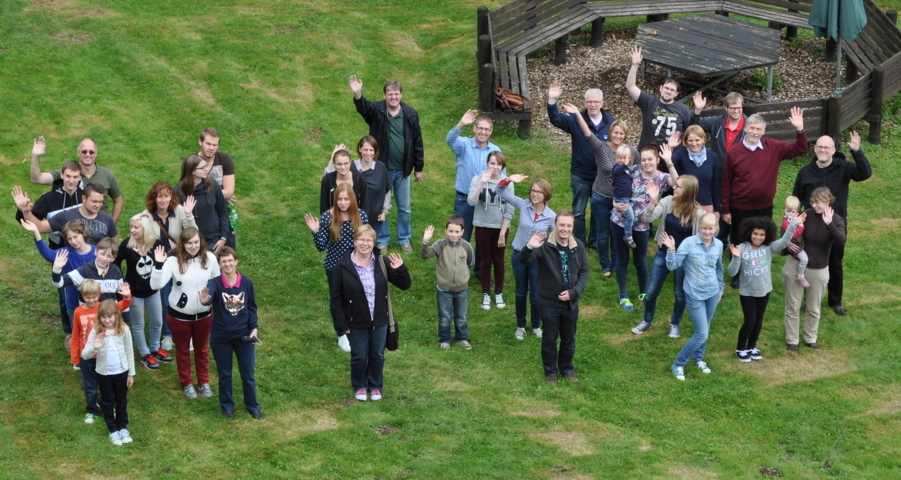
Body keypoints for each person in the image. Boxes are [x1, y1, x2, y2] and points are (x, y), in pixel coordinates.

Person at [722, 108, 807, 288]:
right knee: (739, 239)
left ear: (764, 131)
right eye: (752, 128)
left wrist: (799, 129)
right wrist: (725, 209)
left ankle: (760, 269)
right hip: (739, 206)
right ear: (745, 128)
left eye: (758, 129)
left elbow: (801, 148)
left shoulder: (773, 147)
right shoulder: (734, 152)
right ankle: (737, 274)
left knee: (761, 239)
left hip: (764, 206)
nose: (754, 132)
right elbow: (727, 182)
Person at [792, 131, 872, 316]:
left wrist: (857, 152)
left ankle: (835, 301)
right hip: (811, 224)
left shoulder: (843, 167)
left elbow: (864, 173)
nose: (822, 150)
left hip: (835, 223)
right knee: (810, 262)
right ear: (815, 148)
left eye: (826, 147)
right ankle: (810, 299)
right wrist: (794, 222)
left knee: (835, 263)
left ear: (833, 150)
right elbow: (796, 197)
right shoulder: (805, 172)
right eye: (819, 146)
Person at [330, 225, 411, 402]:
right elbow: (336, 299)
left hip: (380, 320)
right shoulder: (342, 266)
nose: (365, 243)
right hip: (355, 321)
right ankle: (359, 385)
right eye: (361, 239)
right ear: (355, 241)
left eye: (369, 240)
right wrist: (342, 324)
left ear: (374, 242)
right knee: (359, 355)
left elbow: (405, 285)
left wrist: (401, 269)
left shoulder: (383, 262)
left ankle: (375, 386)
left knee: (377, 354)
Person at [350, 75, 424, 254]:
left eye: (396, 94)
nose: (393, 97)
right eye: (390, 94)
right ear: (384, 95)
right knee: (379, 207)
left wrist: (418, 168)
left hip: (403, 170)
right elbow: (363, 107)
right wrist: (358, 93)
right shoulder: (376, 111)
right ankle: (382, 240)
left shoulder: (410, 114)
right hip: (381, 170)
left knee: (404, 208)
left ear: (401, 95)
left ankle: (404, 238)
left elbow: (417, 141)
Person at [563, 102, 637, 277]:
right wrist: (577, 114)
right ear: (610, 133)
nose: (618, 136)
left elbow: (638, 173)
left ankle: (618, 263)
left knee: (617, 233)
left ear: (625, 136)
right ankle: (605, 264)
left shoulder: (632, 151)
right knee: (603, 233)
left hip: (621, 201)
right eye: (615, 132)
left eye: (621, 133)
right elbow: (587, 133)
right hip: (601, 198)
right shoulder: (601, 148)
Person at [519, 211, 589, 384]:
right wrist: (529, 246)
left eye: (569, 225)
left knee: (568, 339)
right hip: (549, 303)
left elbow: (584, 271)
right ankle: (550, 372)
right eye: (562, 225)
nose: (565, 229)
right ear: (555, 225)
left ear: (572, 227)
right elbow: (524, 260)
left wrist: (574, 293)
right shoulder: (543, 245)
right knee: (549, 340)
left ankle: (566, 369)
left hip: (570, 304)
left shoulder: (578, 246)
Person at [150, 227, 221, 399]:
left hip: (204, 315)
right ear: (183, 244)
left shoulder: (210, 258)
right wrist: (158, 265)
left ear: (201, 242)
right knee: (182, 351)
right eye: (189, 243)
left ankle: (203, 381)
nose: (193, 246)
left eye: (196, 242)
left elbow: (217, 282)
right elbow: (156, 285)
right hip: (179, 316)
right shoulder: (173, 261)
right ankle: (187, 383)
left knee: (202, 349)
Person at [631, 175, 705, 336]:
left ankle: (675, 323)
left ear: (688, 191)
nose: (674, 188)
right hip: (663, 254)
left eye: (678, 186)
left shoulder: (698, 213)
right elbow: (648, 217)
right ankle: (647, 321)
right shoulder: (668, 201)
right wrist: (652, 199)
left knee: (679, 293)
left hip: (683, 259)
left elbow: (701, 239)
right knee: (650, 293)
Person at [610, 143, 679, 311]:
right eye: (643, 160)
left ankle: (643, 291)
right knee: (622, 260)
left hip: (641, 226)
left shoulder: (661, 178)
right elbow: (616, 184)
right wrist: (614, 202)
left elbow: (678, 183)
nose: (646, 163)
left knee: (640, 260)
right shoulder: (633, 170)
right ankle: (623, 295)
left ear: (657, 160)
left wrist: (669, 161)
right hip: (619, 221)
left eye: (650, 159)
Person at [547, 82, 616, 248]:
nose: (592, 105)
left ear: (602, 103)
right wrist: (552, 99)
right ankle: (578, 241)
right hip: (581, 174)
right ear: (585, 103)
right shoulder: (576, 119)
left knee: (597, 211)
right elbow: (555, 119)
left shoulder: (611, 122)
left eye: (596, 102)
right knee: (578, 211)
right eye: (589, 102)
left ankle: (593, 242)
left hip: (602, 176)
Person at [728, 215, 804, 362]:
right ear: (749, 232)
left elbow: (784, 241)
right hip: (747, 292)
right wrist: (736, 257)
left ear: (767, 235)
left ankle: (751, 347)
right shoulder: (742, 248)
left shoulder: (768, 248)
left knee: (758, 321)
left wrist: (794, 224)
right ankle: (740, 348)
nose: (758, 237)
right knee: (750, 321)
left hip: (764, 290)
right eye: (755, 233)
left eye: (762, 234)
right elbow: (731, 272)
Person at [199, 247, 263, 420]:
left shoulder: (247, 283)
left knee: (248, 374)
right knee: (224, 373)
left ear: (236, 261)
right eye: (223, 261)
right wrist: (205, 300)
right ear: (219, 265)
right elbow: (208, 296)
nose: (227, 264)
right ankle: (227, 406)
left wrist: (254, 328)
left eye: (230, 260)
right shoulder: (215, 283)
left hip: (244, 337)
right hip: (221, 338)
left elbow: (251, 307)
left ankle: (252, 406)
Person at [305, 183, 369, 352]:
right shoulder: (328, 217)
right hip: (335, 267)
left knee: (357, 298)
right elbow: (321, 246)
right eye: (339, 199)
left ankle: (357, 329)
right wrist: (316, 231)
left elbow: (367, 242)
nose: (342, 203)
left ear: (352, 200)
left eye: (346, 199)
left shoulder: (361, 216)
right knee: (338, 301)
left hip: (357, 266)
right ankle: (342, 334)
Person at [783, 187, 846, 351]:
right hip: (795, 265)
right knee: (793, 306)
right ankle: (792, 340)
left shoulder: (836, 219)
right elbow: (789, 229)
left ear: (828, 201)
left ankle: (810, 338)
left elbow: (841, 241)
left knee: (814, 308)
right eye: (812, 202)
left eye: (817, 202)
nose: (814, 205)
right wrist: (787, 241)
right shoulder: (806, 215)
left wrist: (829, 224)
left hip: (818, 270)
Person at [663, 213, 724, 381]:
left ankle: (698, 359)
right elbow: (672, 265)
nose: (707, 232)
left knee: (706, 327)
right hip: (694, 293)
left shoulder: (718, 245)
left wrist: (720, 289)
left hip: (712, 293)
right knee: (701, 333)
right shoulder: (689, 243)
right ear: (699, 228)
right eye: (704, 228)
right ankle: (679, 363)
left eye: (710, 228)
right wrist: (670, 249)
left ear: (716, 229)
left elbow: (719, 268)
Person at [20, 219, 95, 350]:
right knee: (77, 331)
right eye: (69, 238)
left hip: (95, 301)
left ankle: (94, 355)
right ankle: (79, 358)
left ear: (83, 233)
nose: (73, 241)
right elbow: (48, 254)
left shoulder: (96, 252)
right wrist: (36, 233)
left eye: (75, 237)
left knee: (94, 330)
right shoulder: (66, 252)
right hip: (73, 301)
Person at [497, 175, 556, 340]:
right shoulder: (523, 205)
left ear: (546, 195)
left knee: (536, 297)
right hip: (519, 257)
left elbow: (557, 239)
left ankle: (536, 325)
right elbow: (499, 190)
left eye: (539, 192)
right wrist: (508, 179)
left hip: (537, 261)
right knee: (521, 293)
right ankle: (521, 326)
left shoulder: (551, 216)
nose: (535, 194)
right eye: (533, 190)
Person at [142, 181, 197, 351]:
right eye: (160, 196)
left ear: (171, 197)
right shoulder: (147, 215)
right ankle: (168, 334)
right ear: (154, 198)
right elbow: (141, 238)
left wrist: (189, 215)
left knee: (185, 296)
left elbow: (193, 234)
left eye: (166, 196)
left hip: (180, 261)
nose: (163, 200)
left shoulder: (179, 211)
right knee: (165, 299)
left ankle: (187, 334)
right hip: (160, 264)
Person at [114, 213, 171, 371]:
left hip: (153, 291)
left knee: (158, 321)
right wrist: (122, 281)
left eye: (136, 227)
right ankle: (145, 354)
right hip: (135, 293)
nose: (132, 230)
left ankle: (155, 348)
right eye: (131, 226)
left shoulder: (157, 244)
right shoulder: (127, 244)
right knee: (138, 324)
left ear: (146, 229)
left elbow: (165, 265)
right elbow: (116, 262)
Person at [70, 280, 132, 425]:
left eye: (94, 297)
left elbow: (123, 305)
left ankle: (109, 408)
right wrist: (75, 358)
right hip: (88, 355)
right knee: (90, 386)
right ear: (82, 296)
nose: (91, 300)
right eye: (88, 297)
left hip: (104, 356)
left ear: (99, 295)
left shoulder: (104, 309)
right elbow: (75, 335)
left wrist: (128, 296)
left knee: (107, 386)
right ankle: (92, 410)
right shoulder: (78, 311)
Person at [690, 91, 747, 243]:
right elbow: (695, 127)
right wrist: (697, 111)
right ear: (726, 108)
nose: (736, 111)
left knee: (737, 207)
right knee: (721, 206)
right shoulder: (717, 122)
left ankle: (737, 240)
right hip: (719, 174)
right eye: (733, 108)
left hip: (740, 175)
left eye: (739, 108)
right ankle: (719, 241)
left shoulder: (749, 126)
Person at [447, 110, 501, 259]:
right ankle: (458, 268)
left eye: (486, 129)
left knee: (483, 239)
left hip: (486, 201)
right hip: (465, 200)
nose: (483, 132)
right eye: (480, 128)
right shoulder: (463, 144)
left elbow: (502, 176)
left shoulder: (496, 151)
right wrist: (461, 124)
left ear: (491, 132)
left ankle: (479, 271)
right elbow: (450, 140)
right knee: (461, 237)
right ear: (474, 128)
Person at [30, 136, 124, 221]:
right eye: (84, 151)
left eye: (91, 152)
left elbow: (118, 201)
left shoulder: (107, 174)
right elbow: (37, 178)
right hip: (75, 231)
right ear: (78, 153)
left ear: (96, 154)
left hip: (100, 229)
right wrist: (35, 156)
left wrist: (111, 223)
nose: (88, 154)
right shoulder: (69, 173)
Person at [82, 300, 135, 446]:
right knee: (107, 402)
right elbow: (85, 354)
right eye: (104, 317)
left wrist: (131, 373)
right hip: (104, 374)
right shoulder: (96, 331)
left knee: (121, 400)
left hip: (122, 372)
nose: (107, 320)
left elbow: (129, 351)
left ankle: (123, 427)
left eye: (110, 317)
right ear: (99, 318)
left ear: (116, 316)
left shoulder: (124, 329)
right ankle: (113, 430)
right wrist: (95, 347)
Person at [325, 137, 391, 251]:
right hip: (353, 218)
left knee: (369, 249)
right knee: (353, 249)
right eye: (365, 149)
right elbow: (329, 176)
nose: (368, 153)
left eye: (371, 150)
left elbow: (387, 190)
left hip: (375, 217)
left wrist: (385, 210)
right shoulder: (351, 166)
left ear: (375, 151)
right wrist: (332, 158)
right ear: (359, 149)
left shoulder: (381, 167)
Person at [467, 151, 514, 310]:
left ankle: (498, 292)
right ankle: (486, 293)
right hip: (482, 226)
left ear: (502, 166)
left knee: (499, 260)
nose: (495, 167)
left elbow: (510, 209)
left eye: (498, 164)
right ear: (487, 163)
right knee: (486, 260)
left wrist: (502, 232)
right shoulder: (477, 179)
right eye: (492, 163)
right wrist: (482, 183)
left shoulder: (507, 183)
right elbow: (471, 202)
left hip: (500, 228)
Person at [421, 216, 475, 350]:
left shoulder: (467, 247)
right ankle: (445, 340)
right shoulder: (440, 245)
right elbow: (426, 255)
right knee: (445, 317)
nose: (454, 234)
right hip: (444, 290)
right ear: (446, 231)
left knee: (461, 316)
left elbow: (471, 263)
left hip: (462, 290)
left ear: (462, 232)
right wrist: (425, 241)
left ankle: (462, 338)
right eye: (451, 231)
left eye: (457, 232)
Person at [626, 46, 693, 150]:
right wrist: (635, 65)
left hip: (672, 154)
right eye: (666, 88)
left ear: (676, 94)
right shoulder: (648, 102)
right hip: (649, 153)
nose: (668, 91)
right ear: (660, 88)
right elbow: (630, 86)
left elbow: (692, 130)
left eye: (672, 90)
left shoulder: (683, 109)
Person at [14, 182, 118, 245]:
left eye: (100, 202)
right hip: (73, 271)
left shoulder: (107, 219)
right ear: (84, 198)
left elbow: (113, 247)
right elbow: (39, 227)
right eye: (94, 201)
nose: (98, 205)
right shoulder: (66, 216)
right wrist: (26, 210)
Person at [176, 154, 229, 254]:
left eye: (206, 166)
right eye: (202, 167)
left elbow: (223, 212)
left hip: (213, 242)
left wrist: (223, 238)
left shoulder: (213, 185)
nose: (206, 169)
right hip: (191, 245)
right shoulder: (178, 192)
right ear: (192, 171)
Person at [196, 128, 238, 249]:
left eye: (215, 145)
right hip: (201, 214)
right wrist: (220, 196)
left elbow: (229, 191)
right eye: (208, 144)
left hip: (222, 213)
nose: (211, 148)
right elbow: (188, 193)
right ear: (200, 142)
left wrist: (203, 196)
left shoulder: (224, 159)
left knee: (228, 250)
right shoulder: (192, 161)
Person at [52, 237, 125, 303]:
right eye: (102, 254)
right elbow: (59, 283)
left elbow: (121, 297)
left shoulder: (116, 272)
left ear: (113, 258)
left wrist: (125, 317)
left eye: (109, 256)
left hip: (110, 316)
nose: (104, 258)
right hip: (88, 316)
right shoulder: (84, 271)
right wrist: (56, 269)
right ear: (96, 251)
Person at [668, 125, 720, 216]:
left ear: (703, 139)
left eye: (697, 140)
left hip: (705, 205)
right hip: (685, 204)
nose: (694, 143)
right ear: (686, 141)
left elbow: (715, 184)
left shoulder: (712, 156)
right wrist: (670, 147)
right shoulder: (680, 155)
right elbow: (666, 161)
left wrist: (717, 209)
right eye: (690, 140)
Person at [320, 147, 367, 213]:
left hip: (355, 219)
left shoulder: (359, 178)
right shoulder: (327, 180)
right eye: (339, 164)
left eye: (346, 163)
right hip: (334, 219)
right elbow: (324, 206)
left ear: (350, 162)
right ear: (334, 164)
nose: (343, 167)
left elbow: (365, 203)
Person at [611, 146, 637, 249]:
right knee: (630, 217)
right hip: (621, 199)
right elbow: (617, 171)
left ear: (629, 158)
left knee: (630, 217)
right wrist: (624, 164)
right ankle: (628, 236)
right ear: (616, 158)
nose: (621, 160)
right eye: (619, 158)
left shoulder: (627, 170)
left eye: (624, 158)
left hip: (627, 198)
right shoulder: (616, 168)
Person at [781, 196, 810, 288]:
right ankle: (800, 276)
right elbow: (793, 234)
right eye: (787, 211)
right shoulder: (786, 221)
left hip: (800, 242)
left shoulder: (795, 217)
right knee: (804, 259)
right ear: (784, 209)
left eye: (793, 212)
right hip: (795, 244)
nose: (790, 214)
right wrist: (801, 226)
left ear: (797, 211)